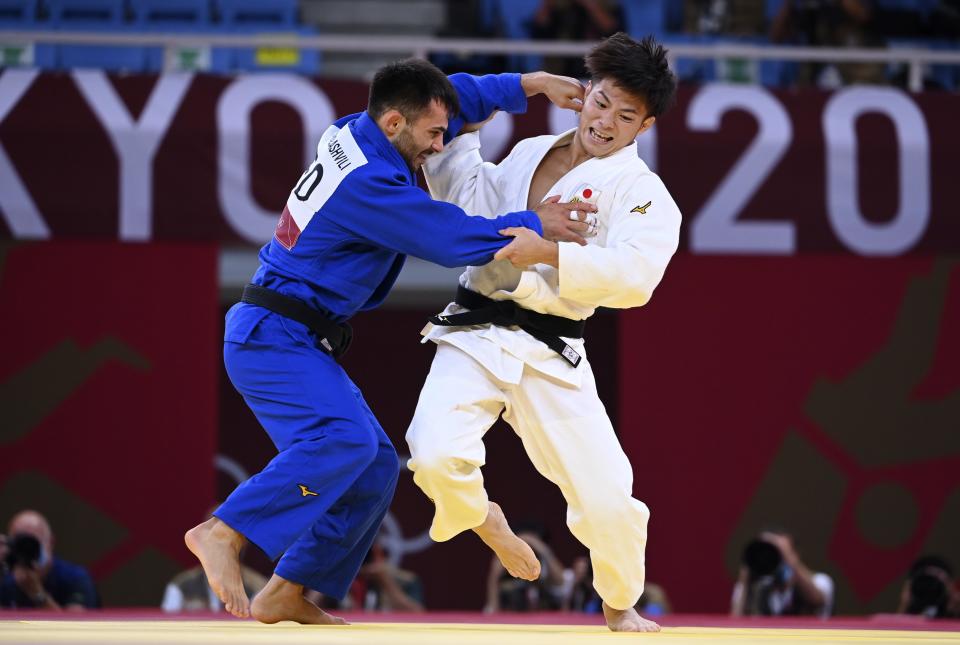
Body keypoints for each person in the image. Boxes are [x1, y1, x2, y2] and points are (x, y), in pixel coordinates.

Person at [184, 58, 596, 625]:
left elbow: (451, 98)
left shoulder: (362, 130)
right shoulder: (366, 183)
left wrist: (528, 85)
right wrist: (536, 221)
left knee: (375, 464)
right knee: (345, 442)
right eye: (432, 135)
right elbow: (448, 237)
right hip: (272, 335)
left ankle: (289, 588)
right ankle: (222, 531)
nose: (440, 144)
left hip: (295, 333)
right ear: (396, 123)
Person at [404, 33, 681, 633]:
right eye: (600, 102)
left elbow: (636, 278)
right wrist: (498, 104)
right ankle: (484, 519)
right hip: (476, 327)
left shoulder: (643, 194)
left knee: (609, 500)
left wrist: (550, 255)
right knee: (432, 454)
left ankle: (618, 599)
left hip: (554, 348)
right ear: (583, 95)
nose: (605, 122)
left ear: (646, 125)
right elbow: (472, 202)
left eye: (625, 115)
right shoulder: (531, 150)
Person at [0, 510, 98, 610]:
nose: (26, 550)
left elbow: (77, 623)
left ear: (50, 542)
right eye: (19, 543)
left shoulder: (76, 578)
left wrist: (38, 594)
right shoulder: (6, 579)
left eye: (32, 543)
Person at [731, 530, 834, 618]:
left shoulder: (821, 580)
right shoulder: (756, 587)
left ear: (795, 554)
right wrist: (745, 580)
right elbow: (735, 623)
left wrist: (787, 555)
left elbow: (816, 600)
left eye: (779, 552)